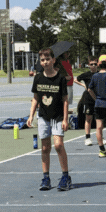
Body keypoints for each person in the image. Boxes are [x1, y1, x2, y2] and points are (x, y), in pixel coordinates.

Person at [27, 48, 72, 191]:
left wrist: (65, 119)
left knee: (58, 145)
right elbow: (35, 99)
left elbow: (65, 100)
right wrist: (31, 115)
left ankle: (65, 176)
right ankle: (46, 177)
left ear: (53, 60)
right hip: (43, 117)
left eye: (47, 59)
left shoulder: (60, 79)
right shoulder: (38, 78)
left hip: (57, 117)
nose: (45, 62)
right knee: (45, 147)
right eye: (42, 60)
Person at [74, 57, 99, 146]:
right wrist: (83, 85)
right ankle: (88, 138)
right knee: (88, 118)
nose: (93, 66)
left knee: (99, 119)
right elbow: (75, 79)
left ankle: (100, 137)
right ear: (89, 65)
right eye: (91, 64)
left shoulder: (99, 74)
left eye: (95, 64)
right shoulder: (86, 75)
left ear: (98, 64)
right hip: (88, 99)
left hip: (98, 99)